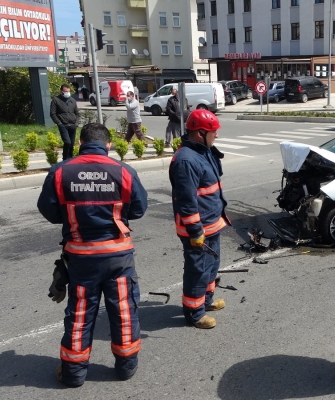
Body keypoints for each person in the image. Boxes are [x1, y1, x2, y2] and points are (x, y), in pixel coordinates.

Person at [37, 123, 148, 386]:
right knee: (123, 311)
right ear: (108, 145)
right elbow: (139, 208)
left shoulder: (60, 171)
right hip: (118, 257)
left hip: (81, 258)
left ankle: (74, 374)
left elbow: (49, 211)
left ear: (80, 144)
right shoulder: (124, 171)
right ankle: (126, 367)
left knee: (80, 315)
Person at [169, 109, 230, 329]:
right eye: (214, 132)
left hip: (212, 224)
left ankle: (206, 302)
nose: (217, 136)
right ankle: (194, 314)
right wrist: (195, 231)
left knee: (211, 266)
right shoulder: (186, 160)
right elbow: (186, 200)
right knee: (198, 271)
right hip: (198, 229)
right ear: (200, 133)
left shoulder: (204, 151)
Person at [50, 84, 80, 160]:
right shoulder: (56, 100)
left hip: (73, 125)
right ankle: (65, 158)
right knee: (67, 142)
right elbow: (52, 113)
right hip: (63, 125)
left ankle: (70, 159)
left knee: (72, 144)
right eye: (65, 91)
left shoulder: (72, 100)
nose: (67, 93)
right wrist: (59, 123)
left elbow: (77, 113)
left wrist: (76, 123)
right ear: (61, 91)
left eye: (68, 91)